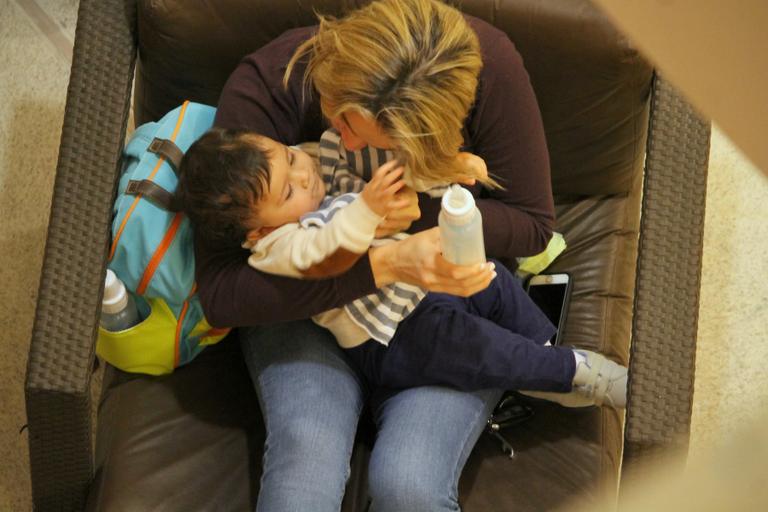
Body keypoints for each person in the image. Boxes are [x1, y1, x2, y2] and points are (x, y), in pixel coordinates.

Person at [198, 0, 624, 509]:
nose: (340, 143)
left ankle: (548, 364)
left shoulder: (491, 71)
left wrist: (424, 207)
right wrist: (383, 260)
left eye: (372, 138)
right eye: (338, 119)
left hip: (437, 298)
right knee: (304, 462)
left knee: (409, 486)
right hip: (301, 309)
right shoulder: (268, 89)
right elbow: (222, 293)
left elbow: (532, 226)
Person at [178, 126, 628, 405]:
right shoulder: (275, 247)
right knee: (478, 346)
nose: (303, 174)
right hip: (391, 337)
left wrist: (443, 170)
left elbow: (387, 172)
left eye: (291, 158)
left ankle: (543, 352)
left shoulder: (315, 163)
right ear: (255, 232)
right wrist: (367, 210)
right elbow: (326, 253)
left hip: (422, 285)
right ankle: (575, 375)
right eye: (287, 192)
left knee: (494, 280)